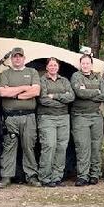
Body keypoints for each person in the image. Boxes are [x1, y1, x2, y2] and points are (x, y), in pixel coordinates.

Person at [0, 47, 41, 187]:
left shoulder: (32, 72)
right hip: (10, 117)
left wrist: (14, 94)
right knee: (9, 146)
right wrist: (24, 88)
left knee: (29, 146)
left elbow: (36, 91)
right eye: (15, 56)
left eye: (19, 56)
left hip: (28, 117)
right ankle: (6, 176)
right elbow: (3, 93)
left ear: (24, 58)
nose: (17, 58)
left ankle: (31, 176)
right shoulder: (5, 74)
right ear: (11, 59)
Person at [70, 54, 104, 186]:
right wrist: (96, 91)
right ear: (80, 65)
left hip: (96, 116)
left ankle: (94, 174)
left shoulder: (98, 77)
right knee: (83, 147)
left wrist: (88, 91)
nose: (85, 66)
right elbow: (80, 93)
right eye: (83, 63)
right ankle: (83, 175)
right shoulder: (76, 76)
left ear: (91, 65)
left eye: (87, 63)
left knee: (96, 146)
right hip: (80, 116)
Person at [38, 58, 74, 187]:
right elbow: (43, 100)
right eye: (50, 65)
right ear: (47, 67)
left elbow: (71, 97)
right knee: (49, 146)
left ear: (58, 67)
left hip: (63, 118)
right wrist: (62, 100)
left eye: (55, 65)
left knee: (61, 147)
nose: (53, 67)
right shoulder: (42, 80)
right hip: (47, 118)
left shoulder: (64, 81)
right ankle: (45, 177)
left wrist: (55, 96)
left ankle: (57, 177)